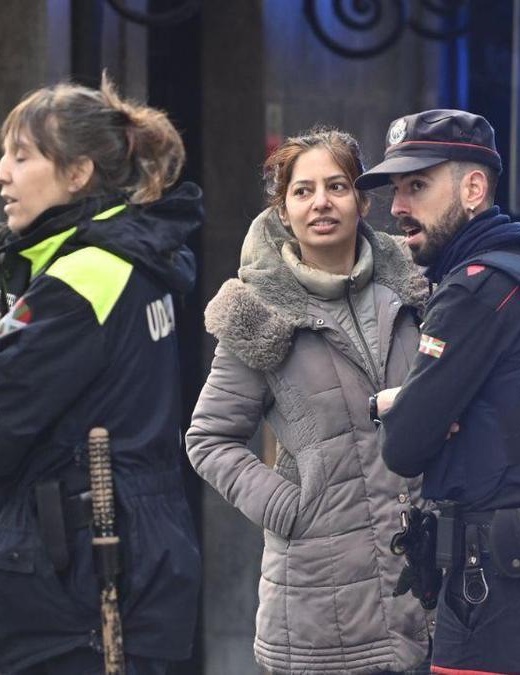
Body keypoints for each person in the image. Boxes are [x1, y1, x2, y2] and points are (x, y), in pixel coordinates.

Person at [0, 75, 202, 674]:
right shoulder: (131, 260)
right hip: (118, 580)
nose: (0, 174)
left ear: (79, 172)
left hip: (77, 597)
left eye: (22, 156)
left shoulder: (84, 279)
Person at [361, 110, 520, 675]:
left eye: (418, 186)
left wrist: (393, 405)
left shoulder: (475, 291)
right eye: (396, 190)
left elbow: (403, 446)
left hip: (502, 580)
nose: (398, 207)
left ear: (473, 188)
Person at [185, 127, 431, 674]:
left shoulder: (417, 288)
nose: (321, 202)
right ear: (283, 208)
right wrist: (291, 508)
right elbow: (208, 439)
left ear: (362, 201)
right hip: (323, 601)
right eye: (302, 190)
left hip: (429, 588)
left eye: (337, 186)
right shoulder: (258, 311)